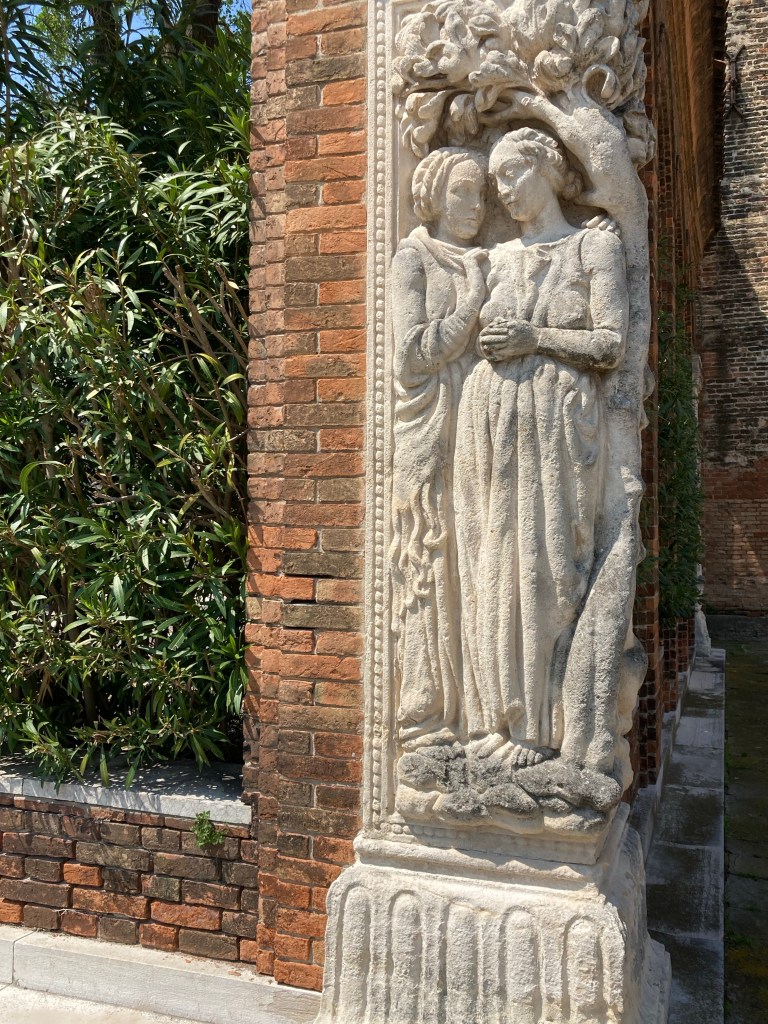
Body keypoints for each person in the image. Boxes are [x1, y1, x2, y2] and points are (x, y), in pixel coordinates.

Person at [454, 127, 630, 771]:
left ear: (548, 169)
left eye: (513, 173)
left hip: (558, 427)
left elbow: (610, 343)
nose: (503, 190)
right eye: (495, 180)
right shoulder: (496, 258)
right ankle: (495, 721)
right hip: (491, 424)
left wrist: (536, 337)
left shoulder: (593, 245)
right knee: (491, 568)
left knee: (546, 568)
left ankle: (541, 730)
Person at [390, 146, 488, 751]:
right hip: (430, 429)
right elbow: (411, 353)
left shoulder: (484, 257)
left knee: (479, 557)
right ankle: (426, 709)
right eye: (463, 192)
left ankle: (480, 706)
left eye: (481, 194)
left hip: (481, 430)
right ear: (433, 194)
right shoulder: (414, 257)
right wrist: (472, 301)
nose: (475, 206)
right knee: (430, 555)